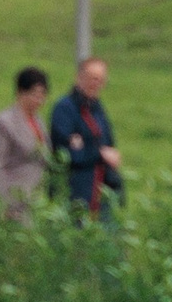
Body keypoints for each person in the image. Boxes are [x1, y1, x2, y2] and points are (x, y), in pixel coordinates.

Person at [49, 57, 124, 218]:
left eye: (101, 80)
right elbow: (67, 153)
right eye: (93, 79)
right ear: (79, 78)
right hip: (76, 192)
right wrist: (99, 154)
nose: (96, 84)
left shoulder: (97, 108)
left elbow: (108, 145)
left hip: (102, 193)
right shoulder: (65, 108)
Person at [0, 66, 53, 221]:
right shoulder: (4, 123)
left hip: (36, 198)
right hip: (14, 198)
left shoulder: (39, 121)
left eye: (42, 95)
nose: (39, 100)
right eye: (34, 95)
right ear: (20, 92)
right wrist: (3, 202)